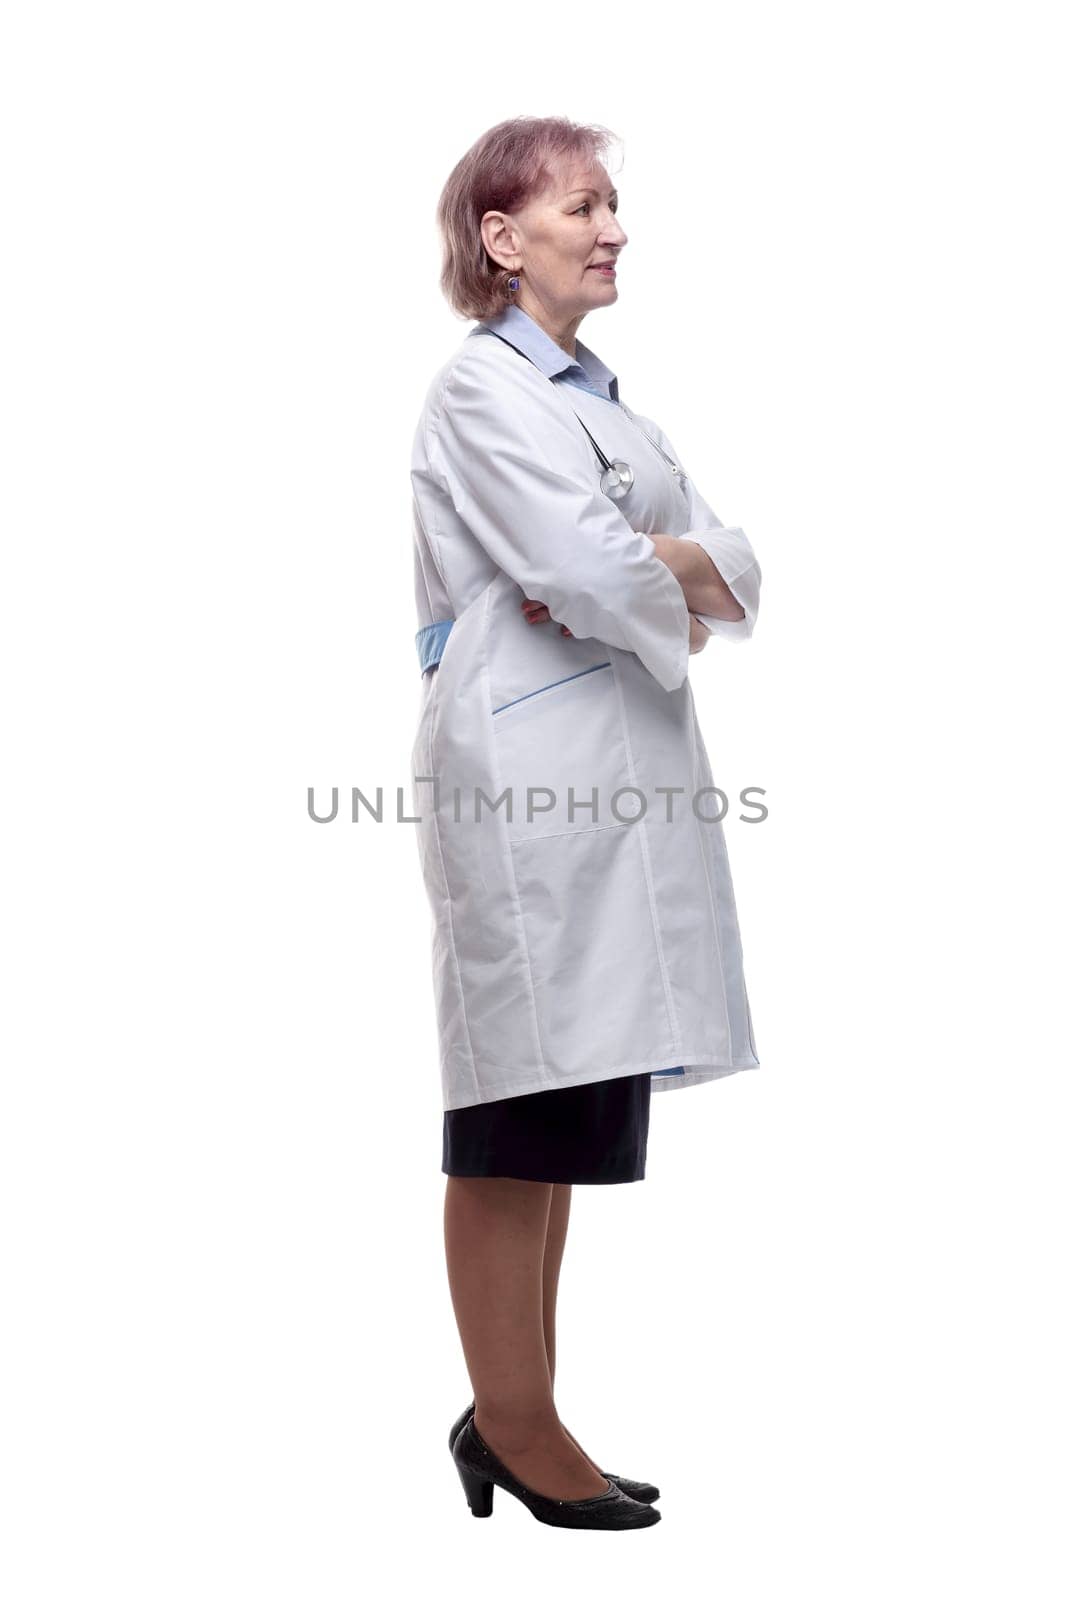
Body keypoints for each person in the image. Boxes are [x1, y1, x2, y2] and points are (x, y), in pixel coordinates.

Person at [409, 115, 763, 1529]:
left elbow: (731, 570)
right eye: (583, 206)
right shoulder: (482, 395)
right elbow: (578, 564)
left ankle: (524, 1407)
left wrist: (656, 568)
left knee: (569, 1106)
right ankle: (510, 1417)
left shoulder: (615, 409)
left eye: (615, 205)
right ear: (504, 239)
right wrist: (646, 572)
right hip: (527, 796)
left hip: (618, 786)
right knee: (516, 1107)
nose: (613, 229)